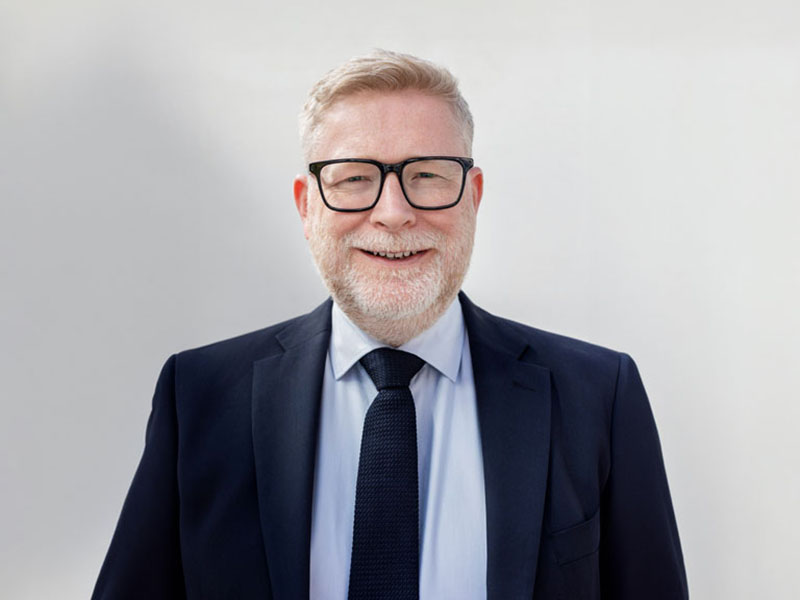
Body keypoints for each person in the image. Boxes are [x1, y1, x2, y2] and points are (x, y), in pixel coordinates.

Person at [92, 50, 688, 599]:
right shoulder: (199, 396)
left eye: (427, 175)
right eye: (354, 178)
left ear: (473, 196)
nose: (394, 212)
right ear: (306, 205)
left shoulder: (597, 396)